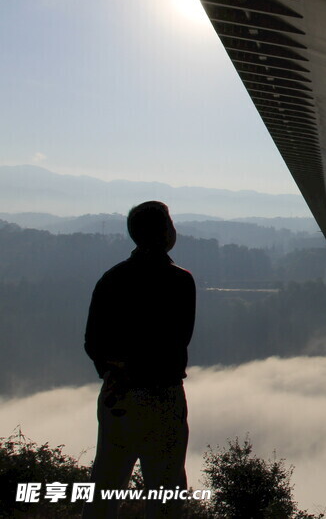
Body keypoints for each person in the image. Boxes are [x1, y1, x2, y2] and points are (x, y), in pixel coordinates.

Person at [83, 201, 196, 518]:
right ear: (166, 232)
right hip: (163, 395)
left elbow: (92, 341)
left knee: (105, 485)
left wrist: (113, 372)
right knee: (166, 490)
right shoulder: (179, 280)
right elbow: (180, 338)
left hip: (117, 394)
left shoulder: (112, 278)